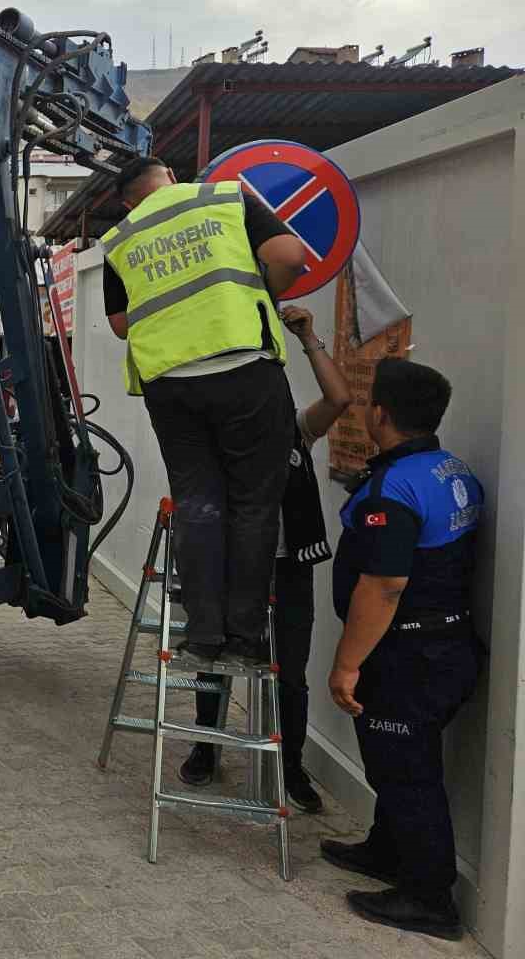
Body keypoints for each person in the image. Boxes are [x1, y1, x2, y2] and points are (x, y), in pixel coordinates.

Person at [101, 161, 307, 662]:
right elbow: (289, 255)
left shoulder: (121, 238)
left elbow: (122, 324)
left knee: (198, 502)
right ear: (171, 176)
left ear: (129, 202)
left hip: (170, 384)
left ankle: (204, 633)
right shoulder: (224, 199)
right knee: (254, 504)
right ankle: (243, 635)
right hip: (243, 367)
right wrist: (257, 292)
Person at [319, 357, 482, 941]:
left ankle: (431, 899)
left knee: (408, 774)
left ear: (380, 413)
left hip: (410, 656)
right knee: (398, 764)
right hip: (445, 646)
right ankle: (387, 852)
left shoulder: (396, 487)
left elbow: (385, 584)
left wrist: (346, 664)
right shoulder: (449, 469)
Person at [180, 304, 351, 813]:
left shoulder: (297, 432)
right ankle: (206, 747)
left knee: (290, 672)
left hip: (289, 568)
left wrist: (309, 337)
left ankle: (290, 764)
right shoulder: (219, 446)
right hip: (232, 569)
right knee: (215, 660)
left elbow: (340, 398)